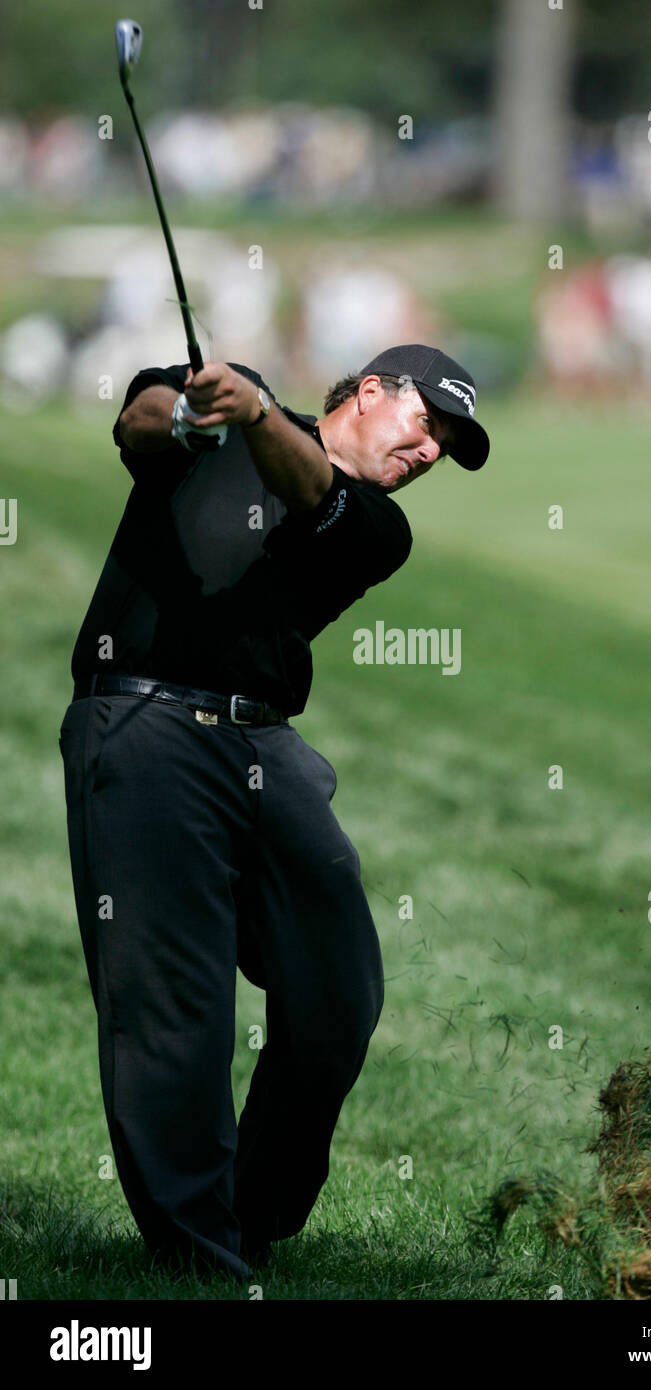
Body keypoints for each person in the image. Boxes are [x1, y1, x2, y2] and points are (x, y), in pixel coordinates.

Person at [58, 344, 490, 1282]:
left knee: (339, 993)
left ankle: (251, 1215)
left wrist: (252, 414)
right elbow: (136, 419)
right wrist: (189, 414)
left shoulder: (375, 525)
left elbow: (309, 492)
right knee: (179, 1009)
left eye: (445, 450)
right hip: (142, 724)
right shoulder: (221, 412)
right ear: (371, 392)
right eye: (427, 425)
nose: (428, 453)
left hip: (265, 748)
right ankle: (202, 1257)